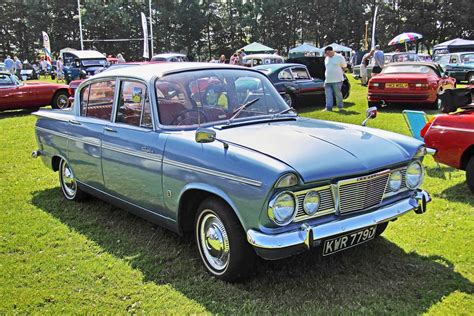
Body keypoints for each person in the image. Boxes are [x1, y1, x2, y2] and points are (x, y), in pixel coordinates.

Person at [323, 46, 347, 111]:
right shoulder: (326, 58)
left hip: (337, 80)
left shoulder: (339, 57)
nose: (327, 55)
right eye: (326, 54)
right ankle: (328, 107)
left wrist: (341, 73)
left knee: (338, 94)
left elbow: (344, 67)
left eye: (327, 53)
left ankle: (340, 107)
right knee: (328, 95)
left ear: (331, 51)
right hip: (328, 80)